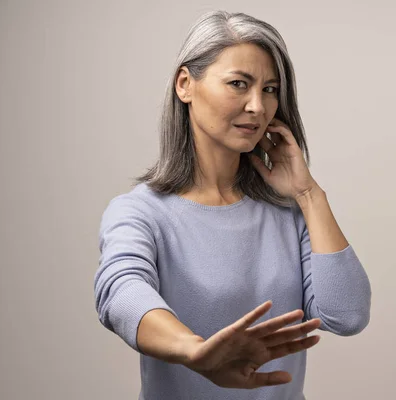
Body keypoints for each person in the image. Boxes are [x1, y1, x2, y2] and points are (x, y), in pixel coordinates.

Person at [94, 10, 371, 400]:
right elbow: (121, 292)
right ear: (186, 84)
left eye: (270, 89)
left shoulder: (289, 213)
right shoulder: (141, 213)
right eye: (239, 84)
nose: (258, 106)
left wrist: (309, 194)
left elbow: (347, 315)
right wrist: (197, 352)